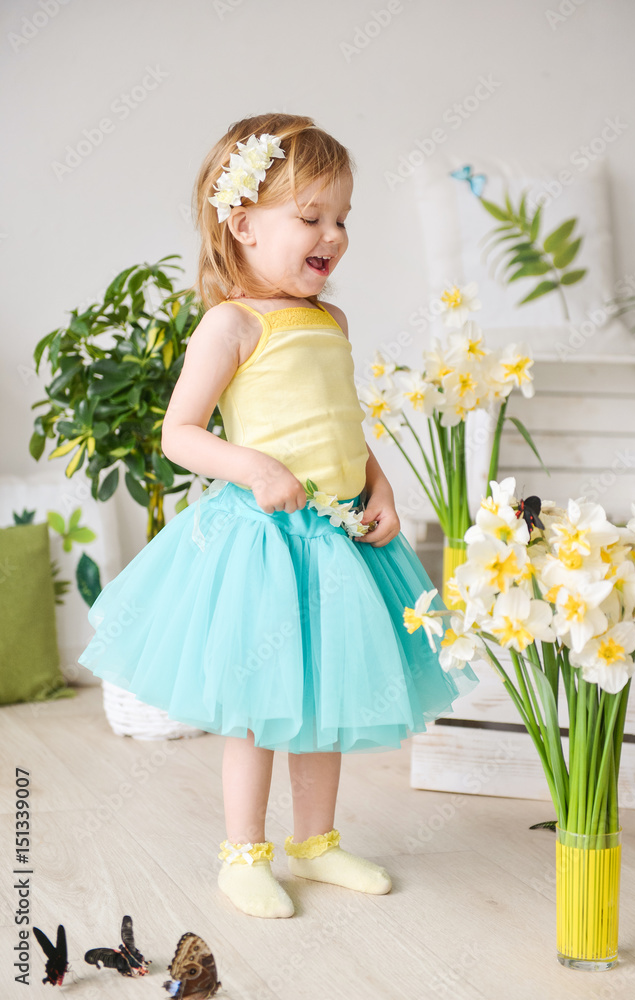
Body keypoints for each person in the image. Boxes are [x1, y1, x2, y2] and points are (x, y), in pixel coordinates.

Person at [77, 113, 479, 920]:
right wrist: (255, 467)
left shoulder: (331, 322)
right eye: (311, 217)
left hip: (340, 540)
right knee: (260, 707)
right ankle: (243, 853)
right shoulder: (232, 325)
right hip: (265, 547)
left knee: (327, 699)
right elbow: (181, 433)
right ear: (243, 225)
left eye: (343, 219)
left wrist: (381, 488)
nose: (334, 235)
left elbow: (343, 425)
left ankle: (316, 843)